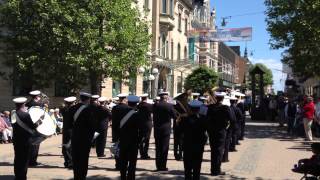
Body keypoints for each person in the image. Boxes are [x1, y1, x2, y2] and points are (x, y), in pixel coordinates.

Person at [11, 97, 43, 180]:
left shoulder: (13, 113)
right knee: (24, 160)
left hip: (16, 140)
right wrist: (40, 120)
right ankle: (22, 177)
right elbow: (33, 126)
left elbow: (14, 126)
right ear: (24, 104)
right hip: (25, 140)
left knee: (17, 158)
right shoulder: (25, 115)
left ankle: (17, 176)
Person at [71, 92, 98, 179]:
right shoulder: (88, 110)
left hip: (75, 137)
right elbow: (92, 125)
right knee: (83, 159)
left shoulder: (72, 108)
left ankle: (76, 176)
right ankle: (82, 176)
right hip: (85, 139)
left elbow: (68, 124)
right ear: (88, 99)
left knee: (75, 159)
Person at [181, 100, 207, 180]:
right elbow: (206, 132)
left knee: (187, 167)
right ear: (199, 109)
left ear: (190, 108)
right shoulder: (203, 119)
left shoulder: (184, 119)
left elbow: (179, 131)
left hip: (187, 145)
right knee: (197, 166)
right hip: (198, 146)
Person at [207, 92, 231, 176]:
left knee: (213, 150)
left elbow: (206, 119)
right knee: (219, 151)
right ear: (223, 99)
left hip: (211, 131)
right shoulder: (225, 108)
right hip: (221, 131)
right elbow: (233, 119)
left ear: (216, 98)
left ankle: (213, 169)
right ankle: (216, 170)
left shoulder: (210, 107)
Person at [119, 95, 142, 180]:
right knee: (132, 162)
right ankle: (131, 177)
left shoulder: (121, 112)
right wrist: (139, 140)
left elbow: (116, 126)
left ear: (128, 102)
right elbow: (142, 129)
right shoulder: (137, 114)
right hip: (133, 141)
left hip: (122, 139)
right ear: (136, 104)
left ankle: (122, 177)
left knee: (123, 161)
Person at [153, 92, 176, 171]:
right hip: (166, 129)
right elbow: (175, 116)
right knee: (164, 147)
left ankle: (158, 166)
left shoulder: (155, 106)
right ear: (166, 98)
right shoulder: (169, 106)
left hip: (157, 129)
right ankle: (163, 166)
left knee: (158, 148)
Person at [26, 90, 44, 167]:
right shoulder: (40, 104)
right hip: (37, 126)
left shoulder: (27, 104)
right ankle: (33, 161)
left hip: (29, 126)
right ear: (37, 96)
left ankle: (29, 160)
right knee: (36, 145)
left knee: (29, 144)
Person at [111, 93, 129, 170]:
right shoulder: (128, 108)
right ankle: (124, 165)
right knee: (125, 149)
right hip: (125, 132)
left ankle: (117, 164)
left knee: (117, 149)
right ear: (125, 99)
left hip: (116, 131)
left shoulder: (114, 108)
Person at [60, 96, 77, 169]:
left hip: (65, 130)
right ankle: (71, 162)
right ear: (73, 103)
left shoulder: (63, 109)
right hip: (72, 130)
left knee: (65, 146)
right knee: (71, 147)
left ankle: (66, 162)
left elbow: (62, 107)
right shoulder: (74, 110)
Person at [173, 93, 189, 161]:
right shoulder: (187, 106)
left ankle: (176, 154)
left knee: (177, 140)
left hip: (177, 125)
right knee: (181, 141)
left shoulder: (174, 106)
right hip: (183, 125)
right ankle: (180, 154)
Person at [137, 94, 153, 159]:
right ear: (146, 98)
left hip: (140, 123)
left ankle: (141, 153)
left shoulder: (138, 105)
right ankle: (145, 153)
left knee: (140, 139)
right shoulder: (149, 105)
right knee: (147, 139)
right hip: (147, 124)